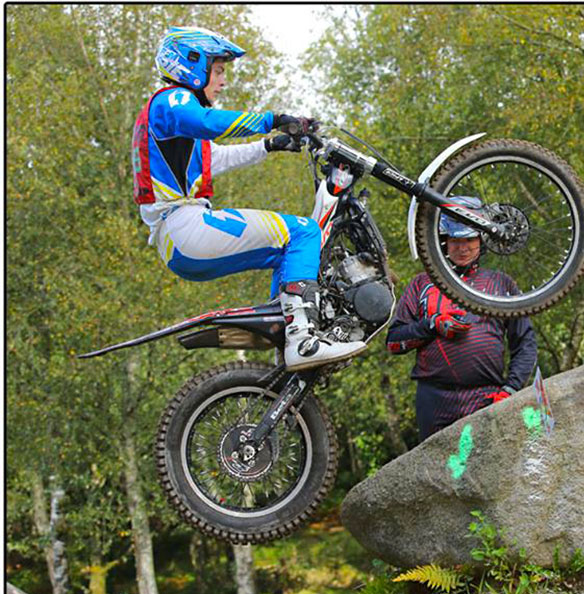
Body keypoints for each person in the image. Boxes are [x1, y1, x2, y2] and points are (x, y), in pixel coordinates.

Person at [133, 26, 365, 371]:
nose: (223, 81)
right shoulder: (171, 100)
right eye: (219, 70)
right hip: (184, 226)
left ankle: (289, 342)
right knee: (303, 233)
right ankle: (301, 341)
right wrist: (274, 120)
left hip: (179, 238)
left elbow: (215, 159)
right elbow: (208, 122)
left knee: (290, 257)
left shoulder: (173, 122)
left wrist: (269, 145)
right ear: (192, 66)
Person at [386, 197, 538, 442]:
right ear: (443, 242)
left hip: (487, 396)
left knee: (487, 473)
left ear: (482, 240)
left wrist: (512, 388)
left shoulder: (501, 283)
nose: (463, 247)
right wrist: (432, 324)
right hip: (434, 398)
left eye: (469, 239)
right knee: (437, 476)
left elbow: (526, 344)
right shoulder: (422, 283)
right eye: (455, 240)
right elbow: (393, 342)